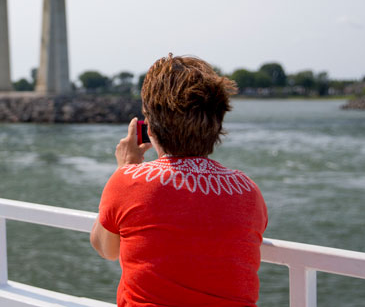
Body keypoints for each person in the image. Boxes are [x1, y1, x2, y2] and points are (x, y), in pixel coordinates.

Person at [90, 54, 268, 307]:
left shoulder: (129, 182)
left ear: (149, 128)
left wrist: (126, 167)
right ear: (217, 126)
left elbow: (105, 249)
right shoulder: (248, 190)